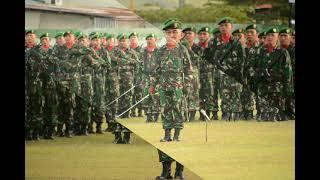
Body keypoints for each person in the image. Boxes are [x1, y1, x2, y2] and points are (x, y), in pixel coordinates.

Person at [149, 18, 193, 142]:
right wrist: (152, 85)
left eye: (174, 32)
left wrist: (187, 86)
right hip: (163, 85)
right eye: (168, 32)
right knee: (165, 109)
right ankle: (167, 135)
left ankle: (177, 135)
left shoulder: (182, 50)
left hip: (178, 85)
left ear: (180, 34)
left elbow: (189, 70)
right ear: (165, 34)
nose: (171, 35)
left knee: (178, 109)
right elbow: (155, 71)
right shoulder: (160, 51)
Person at [204, 17, 245, 121]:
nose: (223, 28)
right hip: (217, 74)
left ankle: (235, 114)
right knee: (222, 94)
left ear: (231, 27)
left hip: (233, 73)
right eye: (221, 26)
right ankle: (225, 114)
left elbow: (242, 59)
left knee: (235, 93)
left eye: (226, 25)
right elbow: (207, 57)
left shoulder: (236, 43)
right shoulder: (213, 42)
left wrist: (239, 72)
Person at [181, 26, 200, 122]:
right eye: (185, 34)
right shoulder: (180, 46)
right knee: (184, 93)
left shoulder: (197, 47)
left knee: (193, 93)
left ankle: (192, 115)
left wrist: (189, 49)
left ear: (194, 35)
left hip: (193, 73)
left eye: (190, 33)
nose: (187, 35)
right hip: (182, 72)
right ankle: (183, 114)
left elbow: (197, 60)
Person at [141, 33, 161, 122]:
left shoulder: (160, 51)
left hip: (156, 77)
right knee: (146, 96)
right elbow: (139, 64)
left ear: (155, 40)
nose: (149, 41)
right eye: (148, 39)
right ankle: (148, 116)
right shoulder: (143, 51)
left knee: (156, 96)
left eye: (151, 39)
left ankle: (156, 116)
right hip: (145, 77)